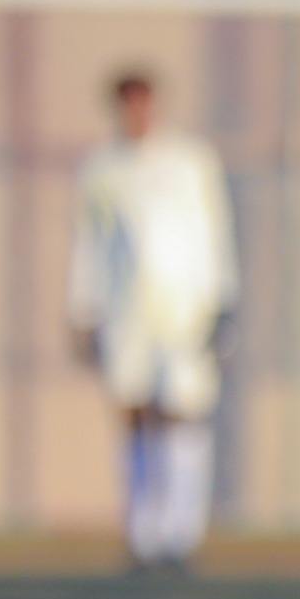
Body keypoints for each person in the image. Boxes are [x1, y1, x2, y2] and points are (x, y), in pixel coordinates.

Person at [69, 70, 238, 569]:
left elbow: (216, 232)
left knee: (183, 411)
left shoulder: (191, 162)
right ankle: (142, 532)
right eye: (128, 104)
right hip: (127, 313)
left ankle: (180, 534)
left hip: (185, 309)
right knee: (136, 413)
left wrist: (224, 301)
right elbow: (90, 244)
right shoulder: (101, 169)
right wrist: (82, 309)